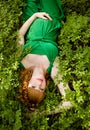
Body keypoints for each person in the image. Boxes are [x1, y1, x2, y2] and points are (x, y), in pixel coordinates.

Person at [18, 0, 71, 109]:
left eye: (33, 86)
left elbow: (20, 35)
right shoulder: (52, 69)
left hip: (31, 19)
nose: (39, 84)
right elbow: (68, 102)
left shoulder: (21, 61)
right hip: (51, 17)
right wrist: (41, 114)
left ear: (25, 83)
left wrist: (34, 16)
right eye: (41, 89)